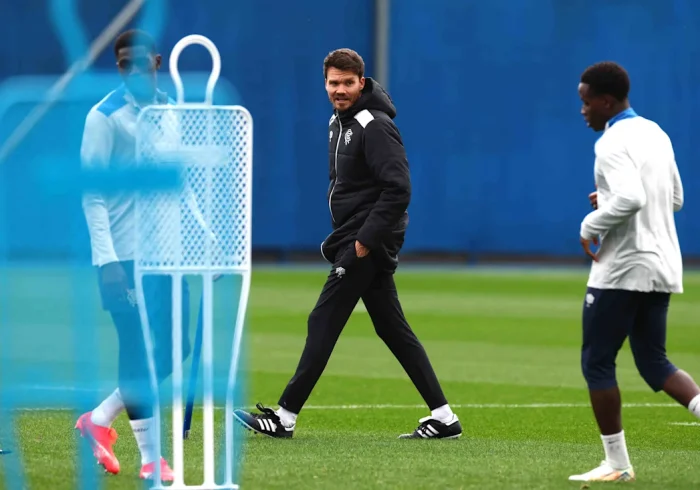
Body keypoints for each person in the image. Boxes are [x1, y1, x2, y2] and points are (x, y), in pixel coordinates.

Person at [233, 48, 461, 440]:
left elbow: (399, 189)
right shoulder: (338, 121)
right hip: (355, 237)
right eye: (333, 83)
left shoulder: (374, 125)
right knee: (392, 328)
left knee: (322, 320)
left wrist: (362, 243)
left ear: (361, 82)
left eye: (347, 83)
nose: (339, 90)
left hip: (364, 242)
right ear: (325, 83)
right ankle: (444, 417)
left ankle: (284, 417)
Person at [570, 61, 700, 482]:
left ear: (606, 101)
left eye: (587, 102)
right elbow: (675, 198)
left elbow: (632, 198)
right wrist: (609, 198)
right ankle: (617, 464)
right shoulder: (655, 132)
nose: (583, 110)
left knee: (597, 362)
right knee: (653, 361)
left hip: (624, 266)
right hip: (662, 262)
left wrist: (590, 224)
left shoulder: (611, 142)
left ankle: (617, 464)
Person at [75, 29, 191, 481]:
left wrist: (203, 244)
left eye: (141, 62)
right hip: (122, 259)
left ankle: (100, 418)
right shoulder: (104, 117)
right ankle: (151, 458)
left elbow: (181, 186)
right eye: (124, 64)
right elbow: (92, 195)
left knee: (178, 347)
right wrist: (107, 262)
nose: (134, 71)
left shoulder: (173, 112)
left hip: (168, 258)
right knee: (137, 353)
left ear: (157, 63)